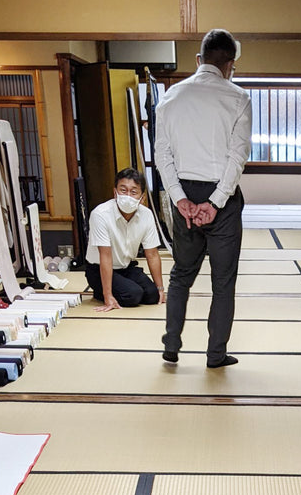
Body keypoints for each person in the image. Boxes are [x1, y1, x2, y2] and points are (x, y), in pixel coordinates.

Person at [154, 28, 252, 367]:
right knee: (223, 282)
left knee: (182, 273)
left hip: (183, 193)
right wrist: (215, 202)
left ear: (200, 60)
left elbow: (162, 156)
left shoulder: (170, 97)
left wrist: (181, 200)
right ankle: (215, 354)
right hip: (220, 201)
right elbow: (236, 158)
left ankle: (171, 346)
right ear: (229, 64)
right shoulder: (238, 97)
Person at [84, 168, 165, 312]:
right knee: (133, 295)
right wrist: (107, 295)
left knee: (152, 296)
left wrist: (160, 289)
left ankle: (124, 287)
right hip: (99, 269)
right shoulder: (100, 214)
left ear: (142, 197)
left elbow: (152, 253)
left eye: (133, 192)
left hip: (126, 267)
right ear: (115, 192)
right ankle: (100, 290)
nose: (128, 196)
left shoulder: (146, 215)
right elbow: (105, 255)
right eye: (123, 190)